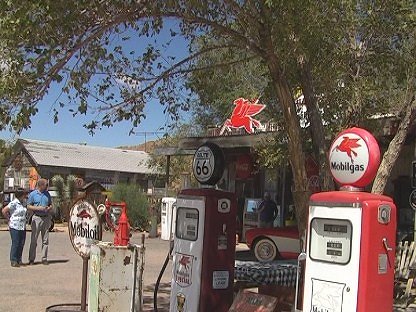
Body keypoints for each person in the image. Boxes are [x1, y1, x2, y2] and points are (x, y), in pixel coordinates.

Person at [27, 178, 52, 265]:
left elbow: (50, 204)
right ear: (41, 185)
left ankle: (44, 258)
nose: (47, 187)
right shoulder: (33, 194)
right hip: (37, 218)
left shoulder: (47, 194)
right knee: (34, 239)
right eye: (46, 185)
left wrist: (49, 208)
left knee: (45, 240)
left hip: (46, 218)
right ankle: (31, 259)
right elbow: (28, 206)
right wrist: (38, 208)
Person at [2, 188, 28, 267]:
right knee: (16, 243)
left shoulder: (23, 202)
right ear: (20, 195)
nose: (25, 196)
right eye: (24, 194)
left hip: (22, 225)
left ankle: (19, 259)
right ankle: (13, 260)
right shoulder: (14, 203)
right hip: (14, 225)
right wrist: (8, 219)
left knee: (21, 243)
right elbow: (4, 210)